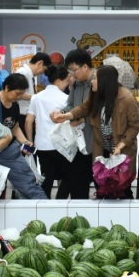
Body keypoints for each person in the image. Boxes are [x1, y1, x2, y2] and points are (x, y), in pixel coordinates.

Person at [52, 65, 139, 198]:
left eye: (95, 78)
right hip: (101, 149)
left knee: (122, 189)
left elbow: (135, 126)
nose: (92, 81)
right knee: (102, 186)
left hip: (122, 152)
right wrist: (66, 115)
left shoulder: (127, 99)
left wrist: (120, 146)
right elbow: (84, 108)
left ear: (104, 81)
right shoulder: (95, 94)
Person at [32, 65, 73, 198]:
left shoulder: (36, 97)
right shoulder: (65, 98)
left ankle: (44, 204)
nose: (68, 84)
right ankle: (60, 200)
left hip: (41, 145)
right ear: (58, 81)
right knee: (69, 175)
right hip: (60, 145)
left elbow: (28, 121)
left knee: (46, 179)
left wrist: (29, 140)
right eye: (67, 81)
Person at [59, 49, 94, 198]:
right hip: (78, 143)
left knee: (102, 183)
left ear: (85, 67)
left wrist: (82, 119)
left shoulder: (98, 83)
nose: (72, 75)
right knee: (78, 187)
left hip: (95, 143)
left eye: (74, 70)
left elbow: (101, 113)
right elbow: (71, 105)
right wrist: (61, 113)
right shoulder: (76, 85)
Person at [17, 52, 51, 142]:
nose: (41, 73)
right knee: (26, 144)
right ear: (40, 63)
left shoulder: (29, 74)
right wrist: (37, 97)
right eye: (43, 70)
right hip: (21, 115)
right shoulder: (23, 73)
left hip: (26, 115)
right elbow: (18, 93)